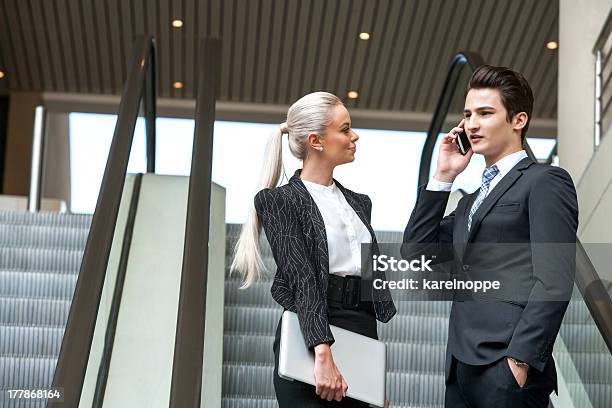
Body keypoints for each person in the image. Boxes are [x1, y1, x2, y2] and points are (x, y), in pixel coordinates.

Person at [402, 65, 578, 407]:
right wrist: (443, 177)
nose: (471, 124)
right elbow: (415, 255)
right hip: (460, 371)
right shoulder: (468, 203)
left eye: (485, 113)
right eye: (467, 114)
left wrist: (519, 362)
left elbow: (555, 280)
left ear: (518, 120)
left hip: (507, 371)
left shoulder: (545, 181)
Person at [231, 91, 396, 407]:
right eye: (345, 129)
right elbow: (302, 277)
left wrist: (374, 376)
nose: (354, 136)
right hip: (311, 337)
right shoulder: (279, 201)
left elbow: (366, 281)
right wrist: (322, 351)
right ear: (316, 141)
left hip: (360, 331)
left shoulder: (360, 204)